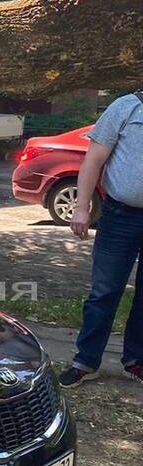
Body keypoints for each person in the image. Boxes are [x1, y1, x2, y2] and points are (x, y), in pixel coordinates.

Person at [59, 91, 143, 387]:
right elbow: (93, 161)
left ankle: (136, 361)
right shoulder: (126, 108)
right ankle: (86, 361)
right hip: (121, 216)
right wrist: (81, 208)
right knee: (104, 292)